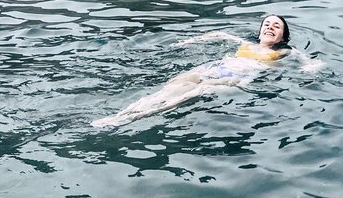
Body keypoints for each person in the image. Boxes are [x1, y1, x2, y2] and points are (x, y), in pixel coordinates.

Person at [91, 15, 319, 127]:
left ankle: (133, 118)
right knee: (171, 87)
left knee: (192, 93)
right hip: (215, 66)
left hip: (237, 76)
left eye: (276, 26)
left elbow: (307, 61)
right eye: (267, 24)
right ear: (259, 31)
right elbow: (219, 34)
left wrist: (311, 68)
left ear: (282, 36)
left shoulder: (287, 51)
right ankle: (121, 113)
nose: (270, 27)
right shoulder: (245, 43)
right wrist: (189, 41)